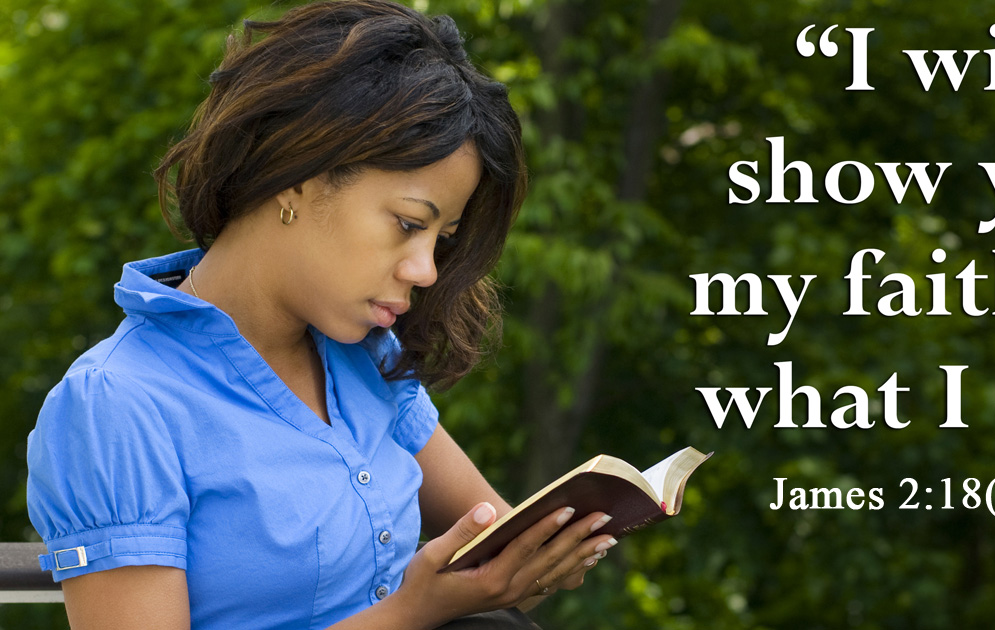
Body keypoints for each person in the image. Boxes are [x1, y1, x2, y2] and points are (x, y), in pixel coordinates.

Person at [24, 1, 616, 628]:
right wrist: (411, 612)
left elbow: (498, 557)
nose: (426, 270)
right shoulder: (118, 405)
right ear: (297, 178)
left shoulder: (366, 358)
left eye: (440, 238)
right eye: (408, 224)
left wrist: (542, 559)